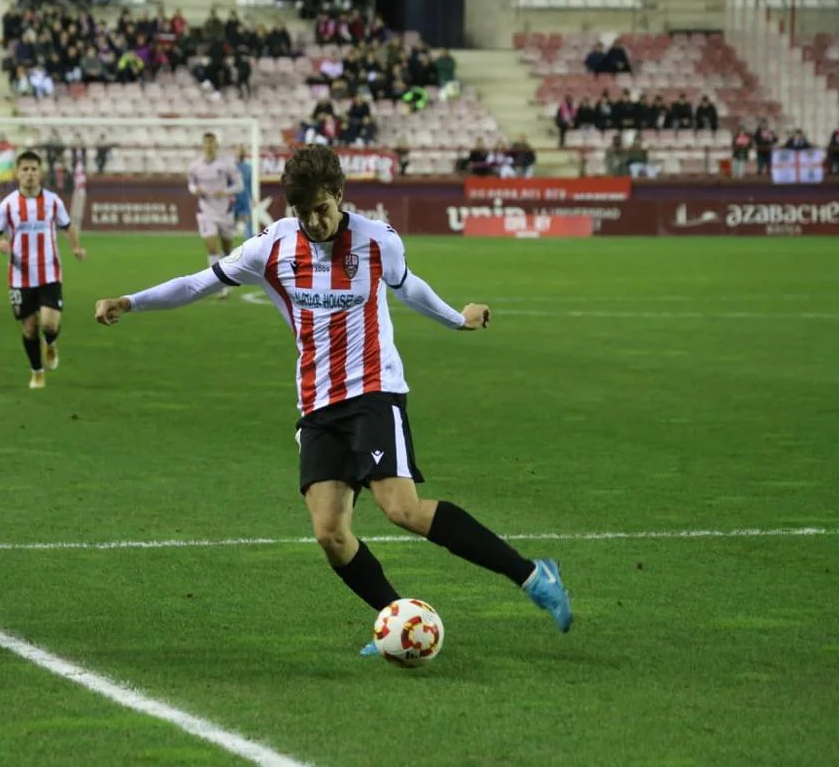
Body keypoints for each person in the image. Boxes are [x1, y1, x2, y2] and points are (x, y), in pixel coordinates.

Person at [94, 146, 573, 654]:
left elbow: (409, 289)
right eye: (303, 213)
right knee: (329, 533)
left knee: (402, 510)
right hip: (317, 402)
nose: (315, 221)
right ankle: (396, 621)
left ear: (341, 197)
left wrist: (459, 318)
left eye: (323, 209)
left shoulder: (376, 240)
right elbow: (199, 283)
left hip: (374, 389)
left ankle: (530, 575)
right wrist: (130, 301)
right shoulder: (271, 247)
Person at [0, 151, 86, 389]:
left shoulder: (53, 201)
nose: (29, 174)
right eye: (25, 169)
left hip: (50, 271)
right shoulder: (9, 204)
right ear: (17, 173)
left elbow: (67, 226)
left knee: (49, 325)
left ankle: (51, 344)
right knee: (30, 328)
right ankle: (37, 371)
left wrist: (76, 247)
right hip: (20, 276)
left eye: (34, 169)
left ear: (40, 173)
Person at [187, 132, 243, 299]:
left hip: (224, 211)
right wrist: (194, 190)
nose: (209, 146)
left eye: (212, 144)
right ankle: (217, 285)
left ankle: (229, 276)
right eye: (206, 144)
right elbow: (190, 183)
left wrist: (225, 192)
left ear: (216, 146)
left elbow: (239, 186)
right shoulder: (194, 166)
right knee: (212, 247)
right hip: (206, 211)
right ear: (203, 146)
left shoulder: (226, 165)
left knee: (227, 249)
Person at [232, 145, 255, 240]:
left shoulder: (248, 167)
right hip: (233, 197)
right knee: (229, 221)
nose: (240, 153)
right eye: (238, 151)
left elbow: (249, 184)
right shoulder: (232, 167)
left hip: (244, 197)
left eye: (242, 151)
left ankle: (250, 241)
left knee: (248, 220)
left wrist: (252, 197)